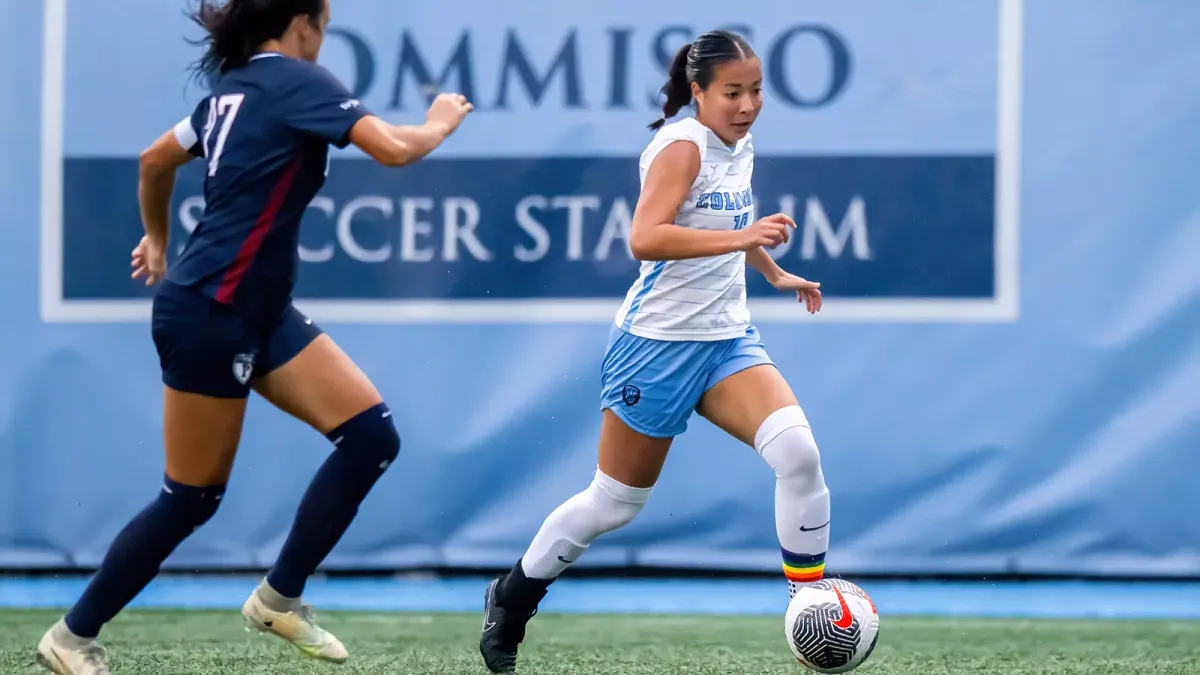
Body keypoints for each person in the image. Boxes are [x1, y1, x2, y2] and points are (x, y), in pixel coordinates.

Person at [35, 1, 472, 673]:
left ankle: (279, 596)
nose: (323, 39)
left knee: (370, 436)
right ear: (302, 21)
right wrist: (442, 118)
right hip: (211, 310)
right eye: (323, 24)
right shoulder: (297, 79)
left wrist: (156, 239)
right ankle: (71, 634)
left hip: (256, 308)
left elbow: (156, 158)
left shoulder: (233, 90)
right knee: (192, 497)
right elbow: (395, 148)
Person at [478, 29, 828, 673]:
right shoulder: (681, 146)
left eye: (756, 90)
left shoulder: (738, 143)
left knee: (799, 455)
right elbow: (645, 238)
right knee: (614, 503)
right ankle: (513, 596)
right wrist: (743, 236)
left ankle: (812, 607)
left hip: (726, 341)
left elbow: (728, 223)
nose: (747, 104)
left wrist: (773, 271)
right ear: (697, 93)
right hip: (657, 348)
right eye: (732, 92)